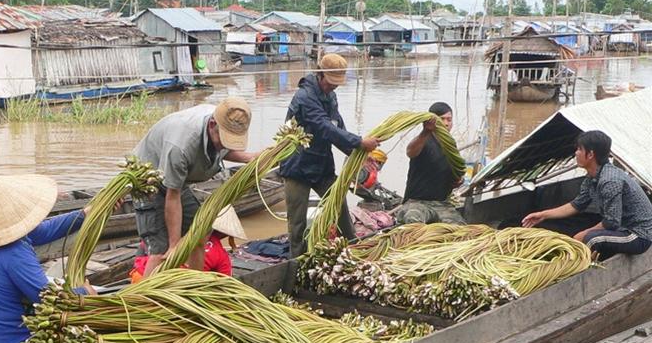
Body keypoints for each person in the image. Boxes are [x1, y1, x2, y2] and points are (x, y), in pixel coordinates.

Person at [132, 97, 257, 276]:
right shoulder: (180, 146)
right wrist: (175, 245)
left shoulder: (229, 117)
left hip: (176, 181)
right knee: (161, 250)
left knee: (199, 234)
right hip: (149, 180)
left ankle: (195, 285)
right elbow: (172, 195)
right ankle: (145, 301)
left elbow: (224, 148)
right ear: (212, 125)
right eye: (223, 138)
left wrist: (250, 158)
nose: (224, 144)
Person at [0, 174, 92, 343]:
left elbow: (46, 230)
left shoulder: (4, 239)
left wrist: (85, 214)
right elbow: (49, 300)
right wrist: (85, 292)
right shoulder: (13, 252)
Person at [280, 53, 380, 257]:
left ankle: (352, 247)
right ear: (319, 74)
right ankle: (297, 263)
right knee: (297, 223)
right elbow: (325, 127)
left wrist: (358, 153)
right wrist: (360, 141)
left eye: (336, 84)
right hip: (297, 166)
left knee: (338, 205)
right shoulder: (304, 97)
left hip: (321, 164)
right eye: (330, 82)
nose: (332, 87)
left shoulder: (330, 96)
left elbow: (337, 125)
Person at [522, 130, 652, 259]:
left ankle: (569, 266)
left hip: (638, 235)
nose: (576, 153)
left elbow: (612, 222)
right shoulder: (592, 177)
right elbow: (577, 205)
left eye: (579, 149)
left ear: (590, 154)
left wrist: (583, 234)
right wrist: (543, 215)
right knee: (577, 232)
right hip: (621, 229)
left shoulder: (610, 180)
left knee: (591, 239)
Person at [130, 205, 247, 281]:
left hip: (140, 277)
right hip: (171, 286)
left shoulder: (172, 232)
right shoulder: (220, 253)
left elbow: (141, 251)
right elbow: (226, 283)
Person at [396, 101, 465, 225]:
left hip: (442, 204)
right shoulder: (423, 140)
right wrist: (425, 132)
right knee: (413, 220)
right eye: (441, 119)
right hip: (417, 203)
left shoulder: (451, 147)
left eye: (449, 120)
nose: (446, 123)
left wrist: (459, 181)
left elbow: (456, 174)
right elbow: (410, 152)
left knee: (459, 229)